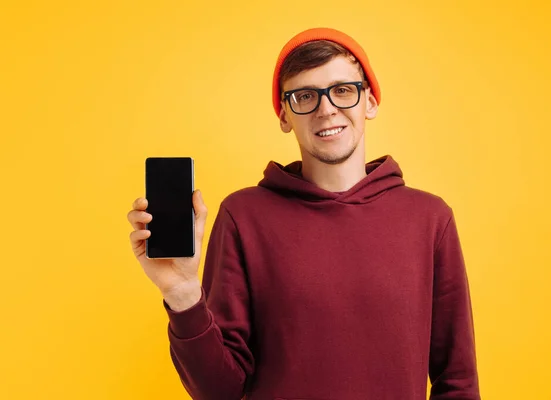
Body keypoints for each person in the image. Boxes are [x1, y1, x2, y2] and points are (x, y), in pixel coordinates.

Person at [127, 27, 480, 400]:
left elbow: (457, 381)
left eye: (343, 90)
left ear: (370, 101)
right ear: (284, 115)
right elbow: (219, 392)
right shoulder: (243, 216)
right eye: (305, 96)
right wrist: (183, 296)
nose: (326, 109)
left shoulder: (429, 219)